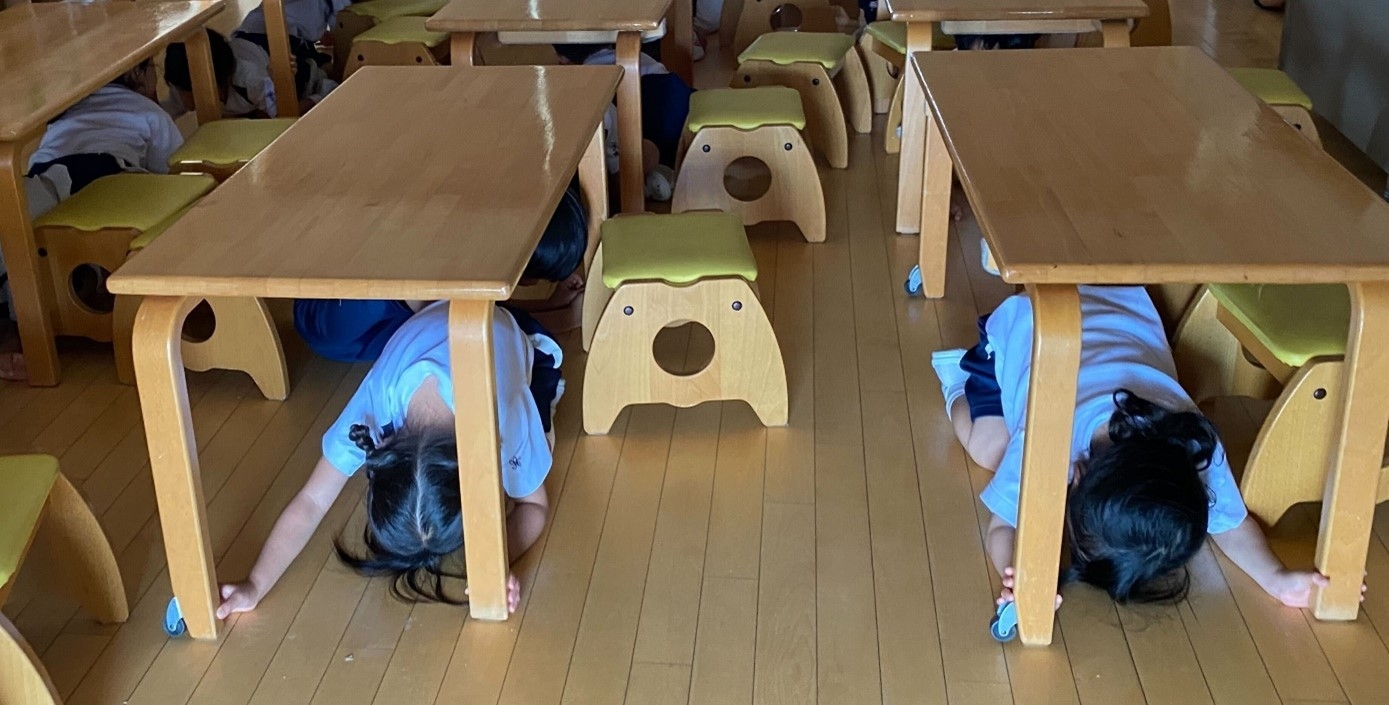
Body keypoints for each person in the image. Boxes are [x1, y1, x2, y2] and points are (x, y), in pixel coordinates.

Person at [932, 286, 1365, 608]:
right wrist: (1018, 574)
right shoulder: (1046, 437)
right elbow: (1002, 527)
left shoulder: (1192, 441)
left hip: (1122, 304)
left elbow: (1231, 526)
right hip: (1027, 325)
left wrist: (1277, 579)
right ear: (1075, 473)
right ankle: (956, 381)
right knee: (990, 449)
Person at [215, 299, 562, 617]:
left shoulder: (503, 416)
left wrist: (494, 562)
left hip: (508, 333)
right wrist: (255, 584)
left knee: (540, 450)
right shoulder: (376, 405)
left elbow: (534, 506)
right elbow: (311, 502)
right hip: (457, 319)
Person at [2, 61, 183, 381]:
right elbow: (174, 171)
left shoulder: (69, 109)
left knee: (17, 237)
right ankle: (32, 332)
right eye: (152, 68)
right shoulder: (149, 112)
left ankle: (23, 331)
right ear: (137, 74)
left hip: (46, 176)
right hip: (101, 172)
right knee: (53, 248)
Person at [292, 182, 588, 363]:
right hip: (331, 326)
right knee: (468, 328)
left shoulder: (471, 238)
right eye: (539, 278)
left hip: (333, 289)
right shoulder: (434, 276)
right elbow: (478, 328)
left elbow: (486, 311)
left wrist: (552, 303)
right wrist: (564, 318)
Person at [554, 43, 694, 202]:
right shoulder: (638, 56)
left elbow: (619, 176)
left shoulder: (593, 92)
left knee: (637, 157)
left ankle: (651, 176)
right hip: (684, 103)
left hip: (655, 116)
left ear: (562, 60)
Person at [164, 26, 335, 120]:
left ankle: (324, 91)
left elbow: (285, 114)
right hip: (251, 47)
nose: (178, 94)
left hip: (300, 78)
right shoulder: (184, 82)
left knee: (280, 115)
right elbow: (165, 112)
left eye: (181, 90)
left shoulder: (250, 80)